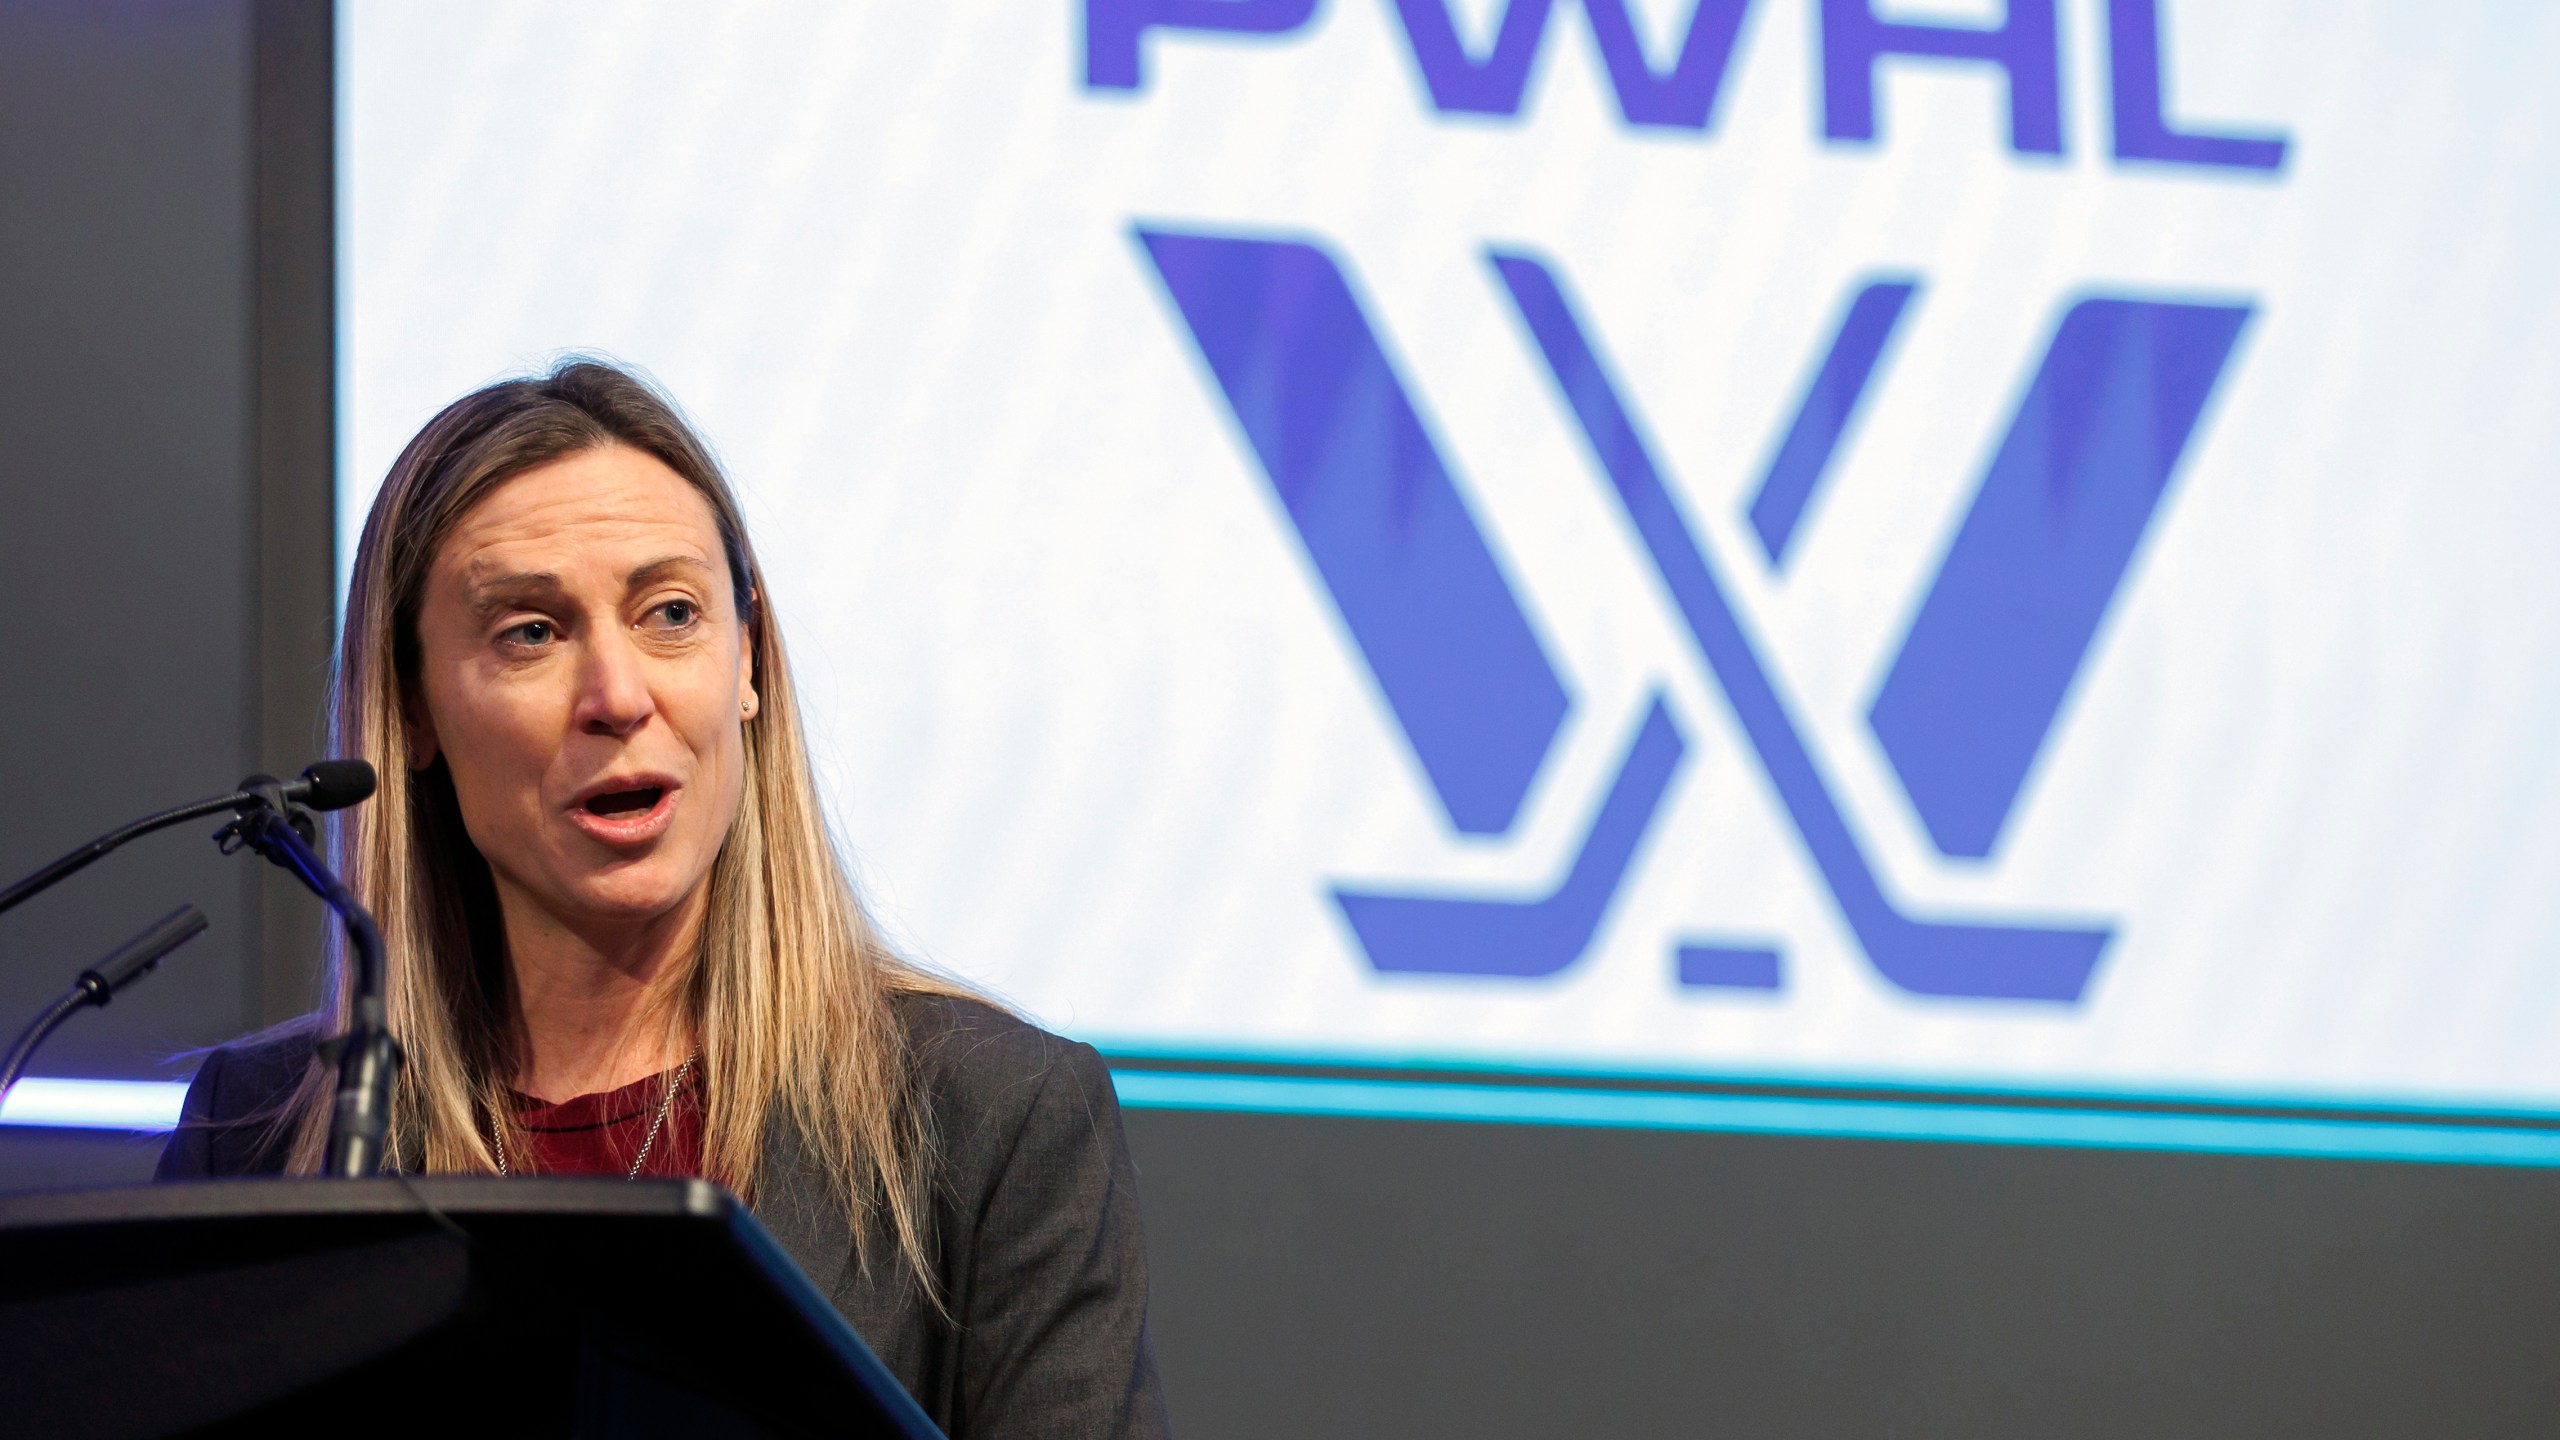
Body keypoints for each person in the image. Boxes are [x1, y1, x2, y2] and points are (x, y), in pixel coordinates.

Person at [157, 360, 1170, 1438]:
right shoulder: (256, 1138)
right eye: (531, 633)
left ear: (749, 662)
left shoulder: (991, 1122)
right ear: (410, 709)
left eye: (670, 613)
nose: (618, 695)